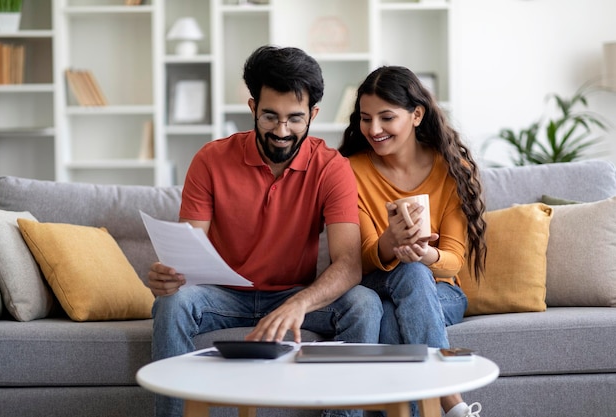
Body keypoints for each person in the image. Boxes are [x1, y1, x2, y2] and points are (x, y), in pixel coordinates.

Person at [148, 45, 383, 417]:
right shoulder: (210, 159)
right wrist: (169, 276)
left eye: (295, 118)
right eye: (270, 116)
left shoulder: (332, 167)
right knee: (173, 303)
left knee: (364, 304)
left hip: (292, 293)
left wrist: (298, 304)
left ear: (313, 115)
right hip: (222, 297)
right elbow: (187, 252)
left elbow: (350, 264)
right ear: (253, 107)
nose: (282, 131)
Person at [338, 66, 488, 417]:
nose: (373, 129)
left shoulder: (452, 169)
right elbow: (358, 257)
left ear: (416, 114)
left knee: (400, 301)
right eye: (365, 118)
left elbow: (454, 260)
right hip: (377, 282)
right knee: (408, 273)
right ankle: (451, 401)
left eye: (386, 117)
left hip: (441, 291)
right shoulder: (350, 170)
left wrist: (427, 254)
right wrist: (390, 243)